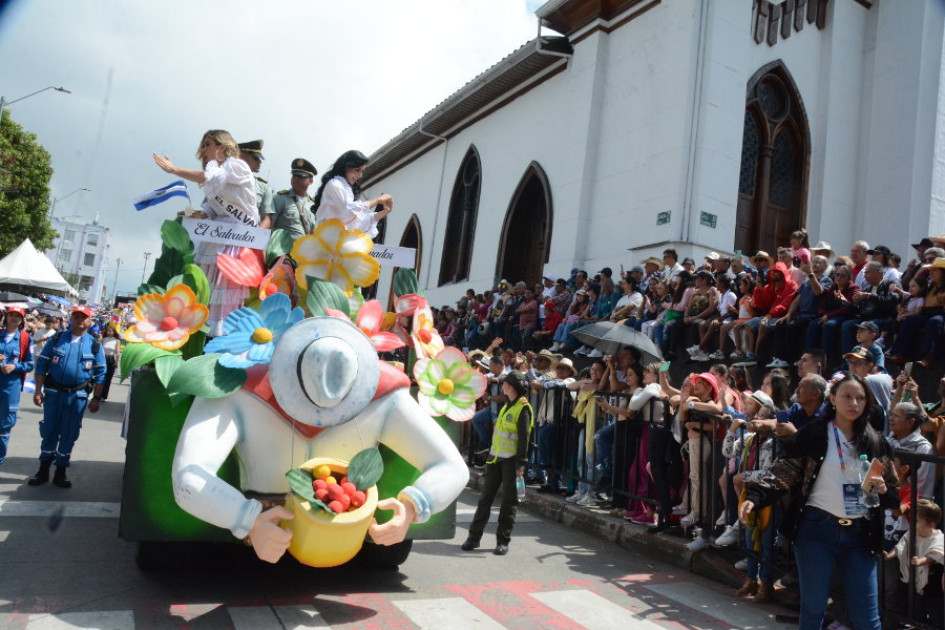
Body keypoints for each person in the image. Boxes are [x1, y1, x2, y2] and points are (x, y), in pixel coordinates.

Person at [740, 374, 899, 630]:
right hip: (816, 530)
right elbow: (785, 471)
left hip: (860, 536)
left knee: (868, 619)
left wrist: (882, 488)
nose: (854, 403)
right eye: (847, 396)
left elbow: (892, 494)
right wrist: (755, 497)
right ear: (833, 399)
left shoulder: (875, 441)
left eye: (860, 398)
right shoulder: (814, 433)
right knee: (813, 610)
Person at [153, 129, 259, 337]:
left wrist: (174, 169)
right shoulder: (216, 172)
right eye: (203, 145)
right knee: (207, 287)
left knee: (225, 287)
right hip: (216, 237)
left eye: (208, 144)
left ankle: (223, 334)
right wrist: (199, 214)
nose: (204, 149)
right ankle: (203, 331)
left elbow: (208, 178)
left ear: (222, 146)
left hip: (236, 238)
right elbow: (213, 207)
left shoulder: (235, 166)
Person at [28, 306, 106, 488]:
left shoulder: (94, 345)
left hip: (77, 396)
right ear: (70, 319)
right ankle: (43, 470)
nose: (79, 320)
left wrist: (96, 398)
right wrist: (38, 391)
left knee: (69, 433)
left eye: (83, 317)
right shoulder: (56, 339)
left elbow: (101, 373)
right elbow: (42, 366)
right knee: (49, 431)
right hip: (54, 393)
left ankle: (61, 472)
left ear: (89, 321)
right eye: (76, 316)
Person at [463, 371, 533, 556]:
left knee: (509, 503)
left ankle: (503, 541)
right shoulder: (506, 406)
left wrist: (521, 465)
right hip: (495, 460)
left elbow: (524, 440)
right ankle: (473, 537)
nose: (502, 386)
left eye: (505, 383)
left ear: (510, 386)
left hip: (511, 462)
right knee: (485, 499)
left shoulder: (523, 408)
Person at [884, 499, 943, 626]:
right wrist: (889, 555)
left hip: (934, 587)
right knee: (917, 613)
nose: (913, 524)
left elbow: (936, 553)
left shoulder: (938, 537)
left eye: (917, 521)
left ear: (931, 525)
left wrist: (922, 560)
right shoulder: (913, 533)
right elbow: (901, 545)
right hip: (916, 584)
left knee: (936, 614)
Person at [313, 150, 392, 239]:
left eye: (362, 171)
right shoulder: (334, 185)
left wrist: (384, 212)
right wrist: (378, 200)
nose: (360, 175)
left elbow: (356, 223)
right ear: (345, 167)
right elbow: (349, 211)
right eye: (357, 170)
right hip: (326, 243)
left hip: (337, 244)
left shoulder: (346, 190)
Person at [0, 307, 33, 465]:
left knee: (5, 426)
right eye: (11, 314)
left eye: (18, 316)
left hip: (11, 387)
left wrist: (15, 367)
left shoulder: (25, 338)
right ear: (5, 317)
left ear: (22, 320)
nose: (14, 318)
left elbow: (30, 364)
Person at [271, 158, 318, 239]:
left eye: (300, 176)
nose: (296, 179)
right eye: (294, 175)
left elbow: (313, 233)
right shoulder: (280, 198)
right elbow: (268, 226)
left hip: (304, 251)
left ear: (310, 181)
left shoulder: (313, 205)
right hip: (283, 251)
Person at [236, 139, 274, 229]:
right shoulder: (221, 180)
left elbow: (266, 219)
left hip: (246, 238)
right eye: (255, 157)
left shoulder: (264, 188)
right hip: (219, 235)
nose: (259, 161)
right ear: (240, 156)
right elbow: (207, 211)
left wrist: (254, 236)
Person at [99, 323, 121, 401]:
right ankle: (98, 395)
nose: (109, 332)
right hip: (103, 359)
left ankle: (104, 396)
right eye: (108, 331)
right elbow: (99, 348)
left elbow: (117, 352)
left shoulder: (116, 340)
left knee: (108, 379)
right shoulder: (104, 339)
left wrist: (116, 362)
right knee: (101, 378)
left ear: (114, 332)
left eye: (110, 331)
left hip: (111, 360)